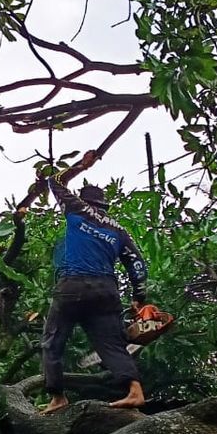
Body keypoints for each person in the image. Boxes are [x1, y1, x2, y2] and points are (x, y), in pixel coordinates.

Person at [38, 164, 148, 413]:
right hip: (105, 292)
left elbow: (54, 181)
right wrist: (139, 297)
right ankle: (135, 391)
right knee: (111, 344)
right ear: (104, 206)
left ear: (83, 199)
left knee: (52, 342)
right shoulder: (118, 230)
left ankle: (57, 397)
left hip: (72, 286)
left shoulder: (76, 208)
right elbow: (137, 264)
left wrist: (81, 165)